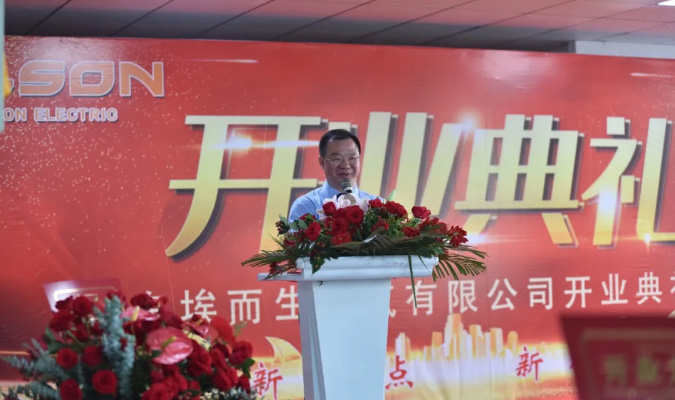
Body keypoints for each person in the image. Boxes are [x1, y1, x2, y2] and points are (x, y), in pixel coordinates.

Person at [288, 129, 379, 222]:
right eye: (336, 158)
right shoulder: (306, 206)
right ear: (322, 162)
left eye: (352, 158)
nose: (345, 165)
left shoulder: (377, 206)